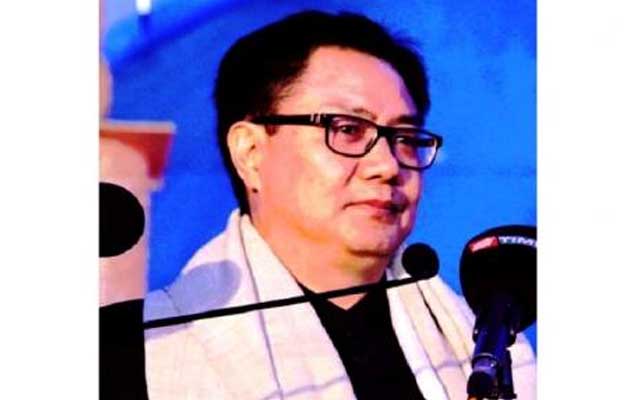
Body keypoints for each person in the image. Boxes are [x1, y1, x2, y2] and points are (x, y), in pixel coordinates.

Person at [143, 10, 536, 400]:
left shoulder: (492, 351)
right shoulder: (154, 352)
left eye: (405, 138)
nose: (387, 166)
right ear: (250, 152)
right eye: (348, 130)